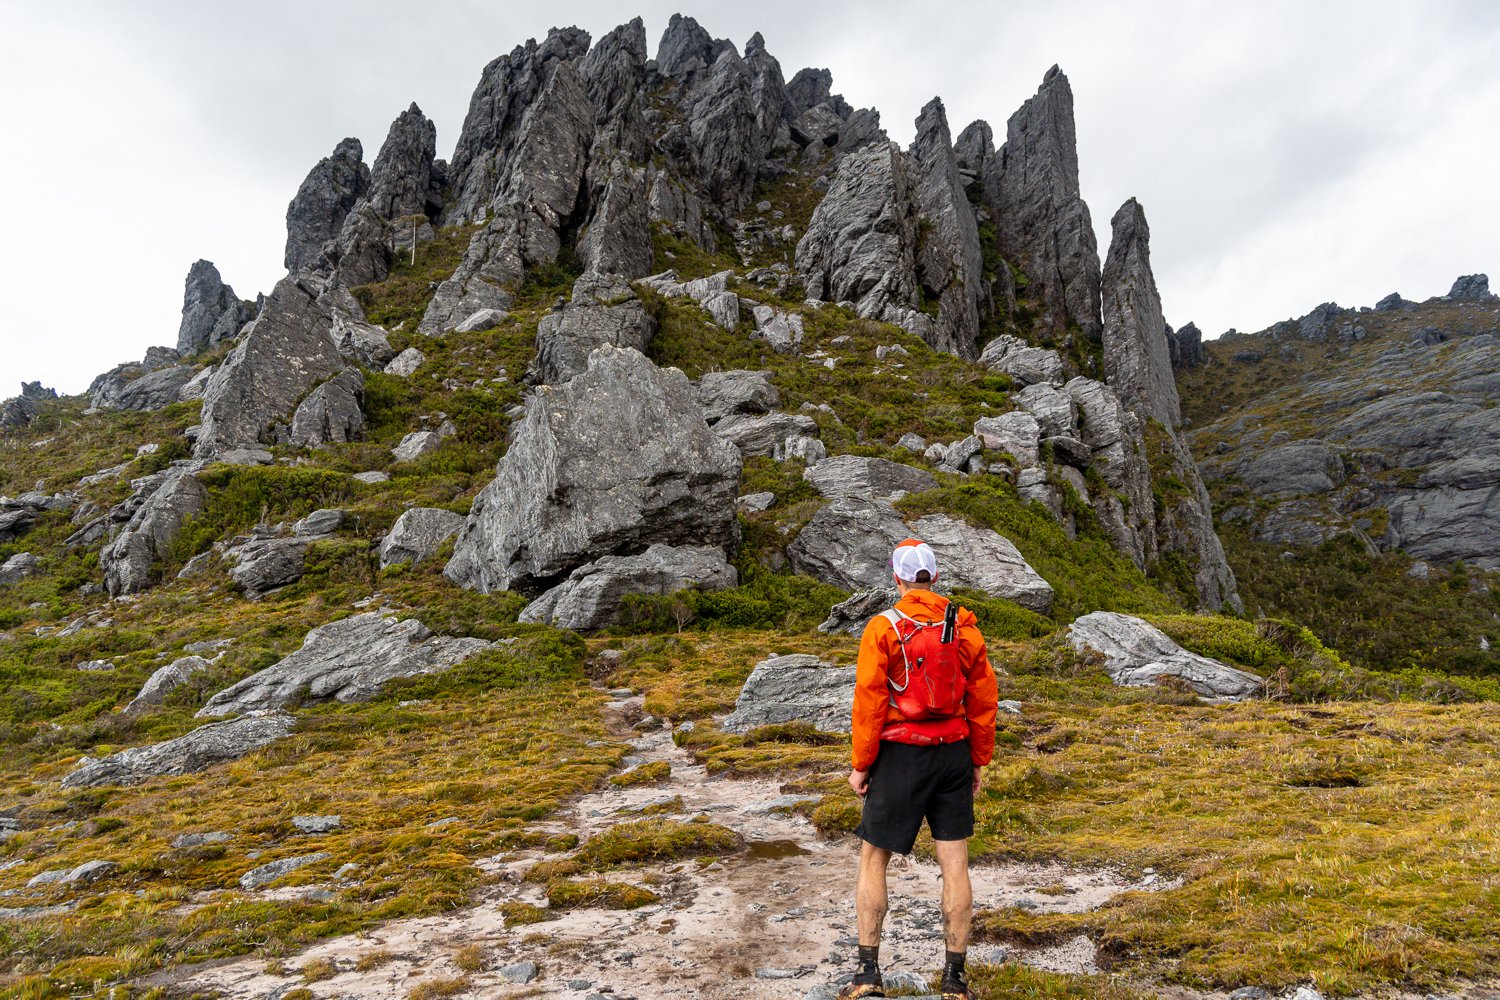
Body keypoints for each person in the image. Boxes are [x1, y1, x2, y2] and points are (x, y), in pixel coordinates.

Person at [838, 539, 999, 1000]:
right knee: (955, 863)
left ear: (897, 578)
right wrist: (977, 759)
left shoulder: (883, 627)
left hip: (900, 755)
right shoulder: (965, 630)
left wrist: (861, 765)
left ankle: (868, 975)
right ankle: (955, 981)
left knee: (874, 859)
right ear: (935, 576)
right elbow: (983, 701)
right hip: (953, 752)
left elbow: (869, 702)